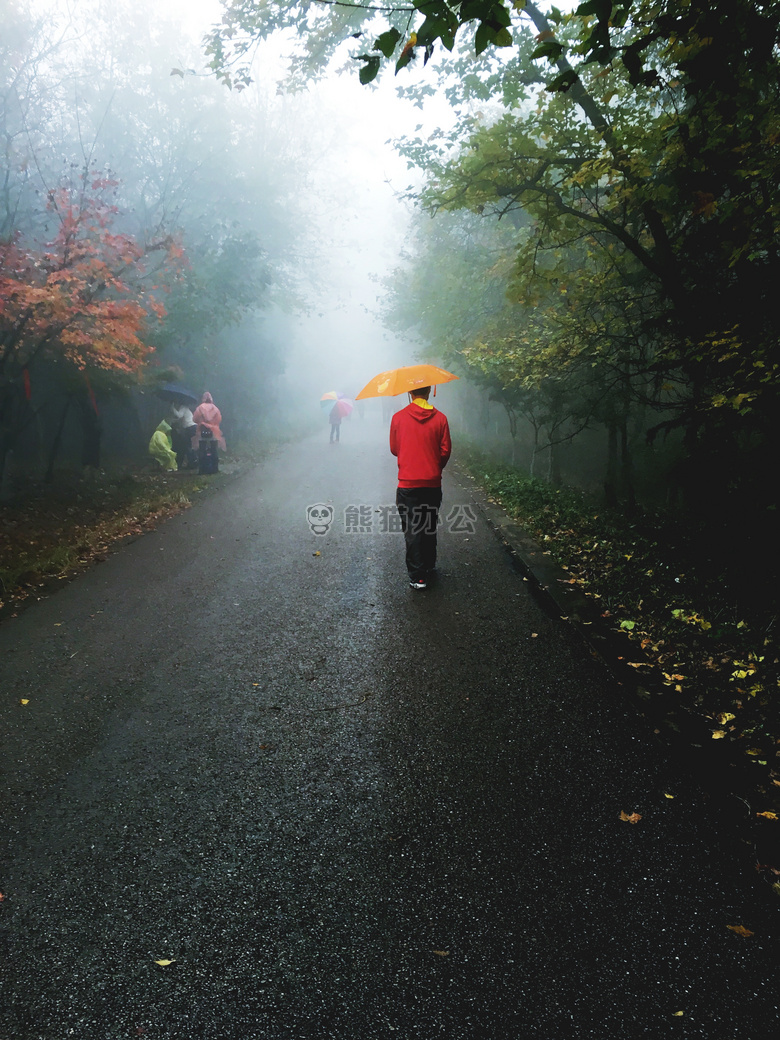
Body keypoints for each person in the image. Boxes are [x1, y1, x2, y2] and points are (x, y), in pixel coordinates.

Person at [389, 385, 451, 591]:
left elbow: (394, 449)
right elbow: (445, 451)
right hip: (432, 483)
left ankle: (418, 576)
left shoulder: (398, 418)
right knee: (429, 524)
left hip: (408, 484)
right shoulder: (441, 418)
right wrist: (434, 466)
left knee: (413, 529)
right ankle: (429, 564)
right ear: (428, 392)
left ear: (410, 392)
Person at [168, 400, 197, 469]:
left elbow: (179, 415)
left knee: (188, 446)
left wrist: (172, 408)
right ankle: (192, 461)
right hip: (192, 428)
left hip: (190, 428)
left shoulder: (183, 407)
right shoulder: (185, 409)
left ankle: (192, 462)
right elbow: (179, 418)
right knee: (189, 445)